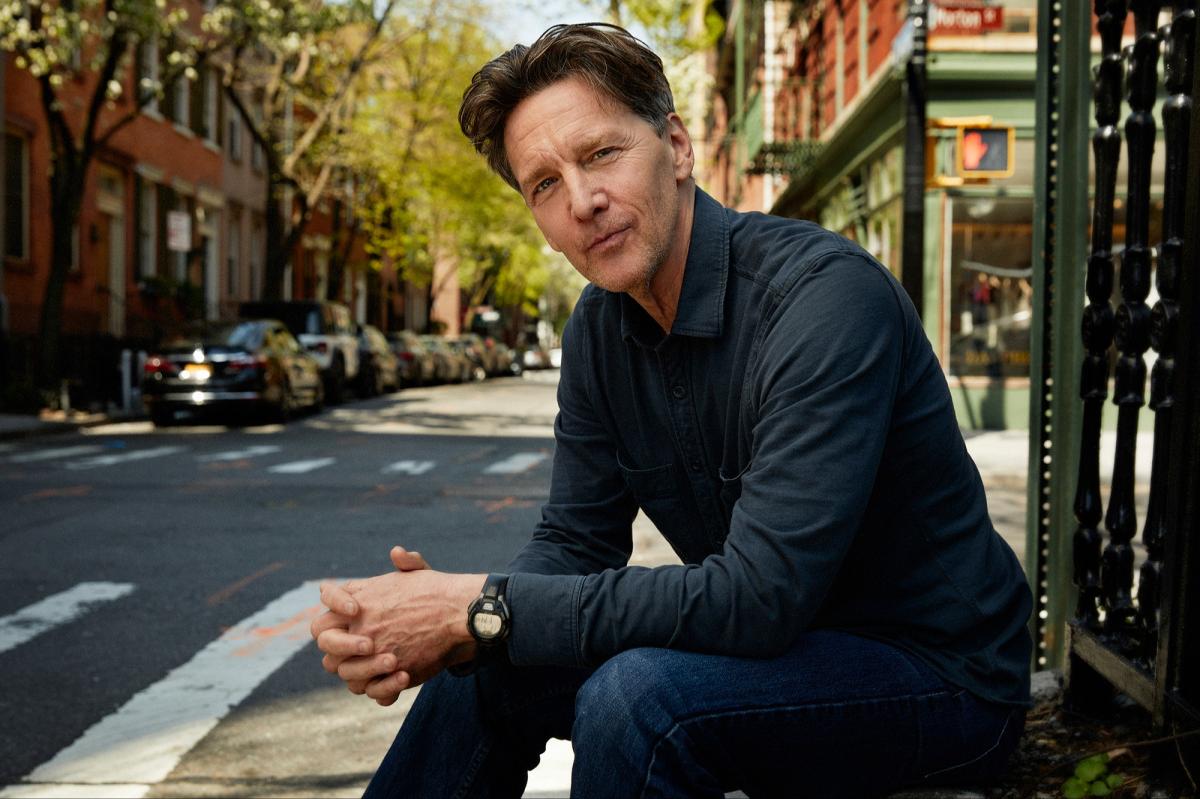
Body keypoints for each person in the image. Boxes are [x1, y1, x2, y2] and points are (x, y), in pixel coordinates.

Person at [311, 23, 1032, 798]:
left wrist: (481, 606)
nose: (582, 201)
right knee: (488, 662)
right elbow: (575, 540)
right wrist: (459, 622)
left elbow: (759, 597)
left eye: (600, 154)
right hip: (775, 655)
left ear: (678, 148)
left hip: (937, 675)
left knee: (636, 700)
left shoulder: (823, 298)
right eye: (544, 184)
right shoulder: (597, 329)